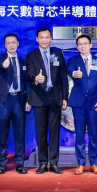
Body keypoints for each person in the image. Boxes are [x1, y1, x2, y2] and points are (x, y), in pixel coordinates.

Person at [25, 27, 68, 174]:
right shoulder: (31, 55)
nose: (44, 40)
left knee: (54, 132)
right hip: (39, 97)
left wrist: (65, 97)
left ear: (51, 39)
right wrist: (36, 78)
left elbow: (63, 77)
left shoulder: (57, 54)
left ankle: (54, 163)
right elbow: (28, 75)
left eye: (47, 37)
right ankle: (43, 163)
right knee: (41, 131)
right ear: (37, 39)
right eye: (41, 37)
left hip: (55, 97)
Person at [66, 35, 97, 175]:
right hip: (78, 102)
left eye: (85, 43)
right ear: (77, 47)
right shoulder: (73, 60)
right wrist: (74, 73)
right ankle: (81, 163)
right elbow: (69, 70)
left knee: (93, 133)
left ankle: (94, 163)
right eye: (80, 44)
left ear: (90, 45)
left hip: (94, 102)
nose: (83, 46)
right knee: (79, 134)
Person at [0, 33, 30, 174]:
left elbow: (27, 83)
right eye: (8, 43)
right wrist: (4, 64)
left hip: (19, 100)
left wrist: (28, 100)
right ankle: (2, 163)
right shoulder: (0, 58)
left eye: (13, 42)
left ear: (18, 43)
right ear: (5, 45)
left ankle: (20, 162)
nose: (11, 45)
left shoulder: (23, 62)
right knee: (2, 132)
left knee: (20, 132)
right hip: (4, 100)